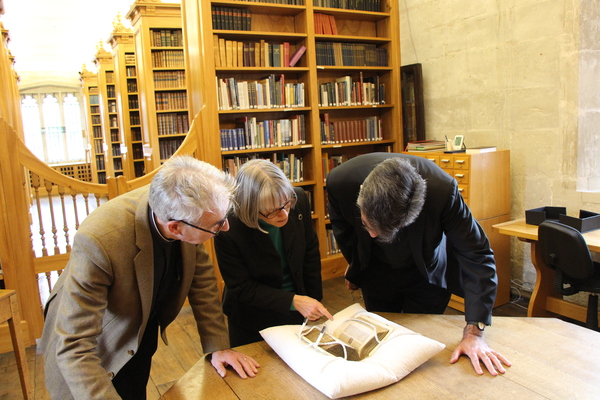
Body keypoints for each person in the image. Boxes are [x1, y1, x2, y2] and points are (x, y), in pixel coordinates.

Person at [40, 155, 260, 400]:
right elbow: (75, 345)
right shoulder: (99, 239)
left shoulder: (185, 206)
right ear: (175, 227)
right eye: (217, 225)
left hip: (140, 330)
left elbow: (202, 281)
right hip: (94, 345)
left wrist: (218, 347)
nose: (226, 228)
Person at [326, 152, 511, 376]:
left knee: (422, 351)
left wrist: (475, 331)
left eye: (382, 229)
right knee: (382, 344)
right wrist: (356, 263)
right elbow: (344, 231)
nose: (372, 234)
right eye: (366, 224)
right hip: (376, 269)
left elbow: (477, 254)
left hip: (426, 273)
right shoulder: (340, 183)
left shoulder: (441, 191)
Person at [214, 159, 333, 347]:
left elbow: (310, 250)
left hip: (297, 309)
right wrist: (295, 301)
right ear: (250, 209)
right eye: (272, 211)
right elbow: (241, 287)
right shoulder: (228, 226)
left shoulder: (298, 199)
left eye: (286, 204)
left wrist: (314, 299)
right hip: (251, 317)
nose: (284, 215)